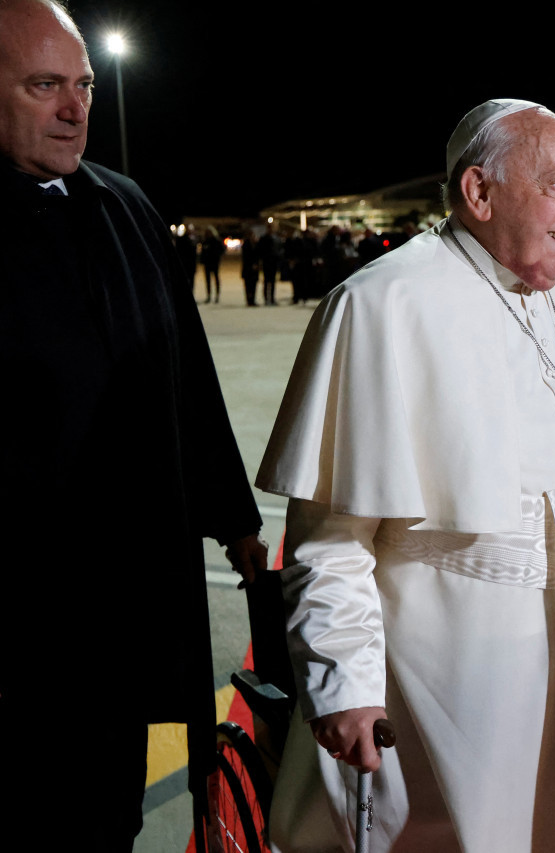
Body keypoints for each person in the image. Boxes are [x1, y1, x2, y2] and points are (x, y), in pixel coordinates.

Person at [256, 99, 555, 853]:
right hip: (445, 682)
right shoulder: (380, 306)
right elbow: (329, 540)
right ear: (479, 193)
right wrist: (343, 683)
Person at [0, 1, 267, 849]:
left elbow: (185, 373)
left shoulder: (126, 205)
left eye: (81, 84)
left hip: (132, 602)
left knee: (119, 806)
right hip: (24, 622)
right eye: (46, 86)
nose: (76, 108)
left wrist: (235, 518)